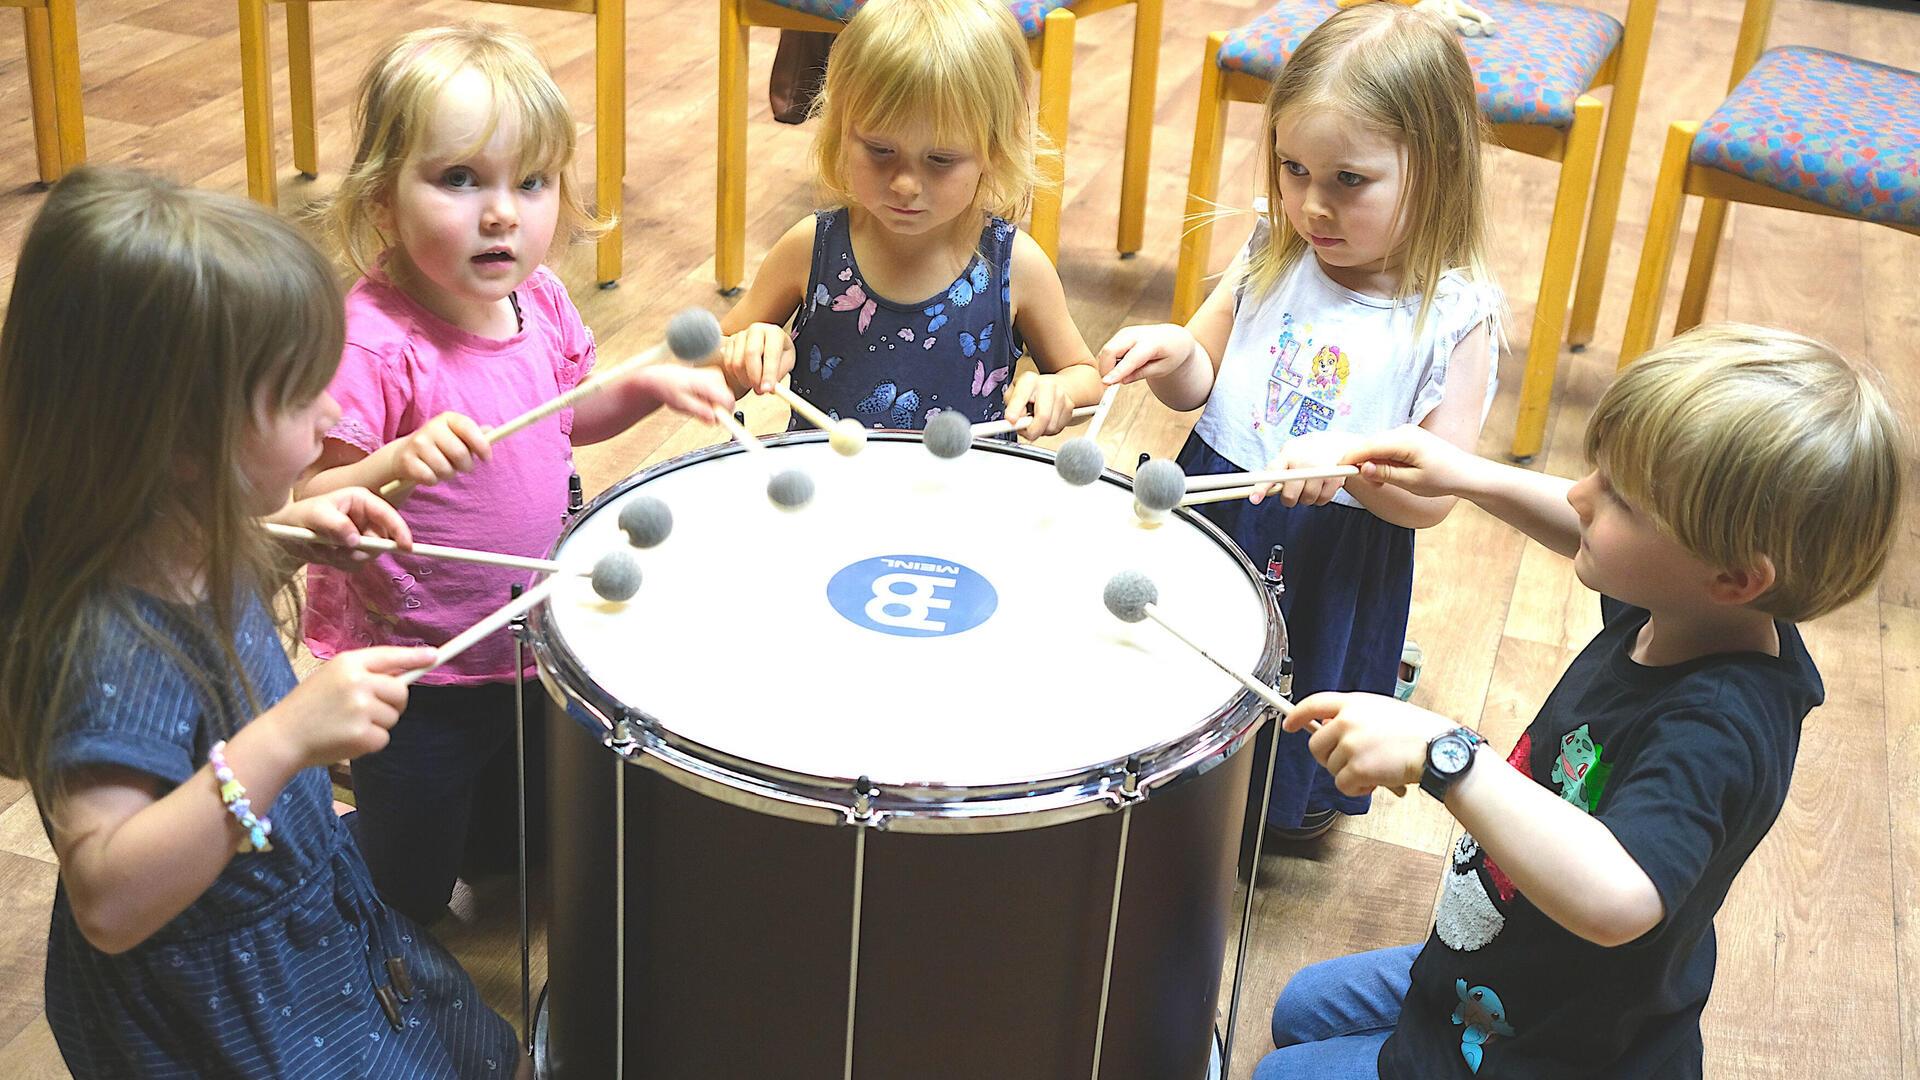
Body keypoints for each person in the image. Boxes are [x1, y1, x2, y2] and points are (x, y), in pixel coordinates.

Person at [1257, 323, 1902, 1077]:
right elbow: (1586, 526)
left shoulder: (1721, 725)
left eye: (1620, 499)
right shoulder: (1688, 602)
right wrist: (1465, 473)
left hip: (1550, 1038)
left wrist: (1446, 756)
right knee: (1300, 1009)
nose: (1578, 495)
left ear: (1733, 575)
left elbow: (1618, 898)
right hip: (1503, 954)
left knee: (1279, 1072)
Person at [0, 165, 525, 1078]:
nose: (332, 414)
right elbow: (109, 898)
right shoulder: (100, 649)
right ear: (181, 446)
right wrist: (287, 737)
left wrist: (285, 538)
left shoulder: (173, 524)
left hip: (298, 913)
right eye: (298, 397)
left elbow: (212, 574)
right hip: (230, 1000)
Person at [295, 24, 733, 924]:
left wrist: (643, 386)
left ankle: (472, 840)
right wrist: (390, 464)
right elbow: (309, 509)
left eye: (529, 183)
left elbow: (567, 417)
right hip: (417, 667)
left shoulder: (535, 302)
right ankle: (342, 862)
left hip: (527, 642)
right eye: (460, 180)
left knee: (516, 853)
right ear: (382, 200)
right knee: (404, 893)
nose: (502, 212)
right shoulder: (374, 344)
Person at [1099, 2, 1502, 838]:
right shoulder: (1274, 248)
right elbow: (1200, 380)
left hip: (1333, 550)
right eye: (1292, 170)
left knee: (1298, 689)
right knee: (1183, 660)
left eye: (1348, 181)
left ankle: (1278, 809)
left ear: (1437, 169)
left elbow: (1432, 498)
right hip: (1219, 501)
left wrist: (1355, 463)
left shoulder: (1453, 318)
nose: (1311, 206)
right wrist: (1172, 353)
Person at [718, 0, 1103, 436]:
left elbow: (1084, 374)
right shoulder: (811, 248)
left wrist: (1058, 390)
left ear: (993, 151)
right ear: (842, 129)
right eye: (880, 150)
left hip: (965, 499)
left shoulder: (1016, 265)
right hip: (828, 496)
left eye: (940, 159)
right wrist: (743, 352)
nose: (905, 184)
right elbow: (710, 366)